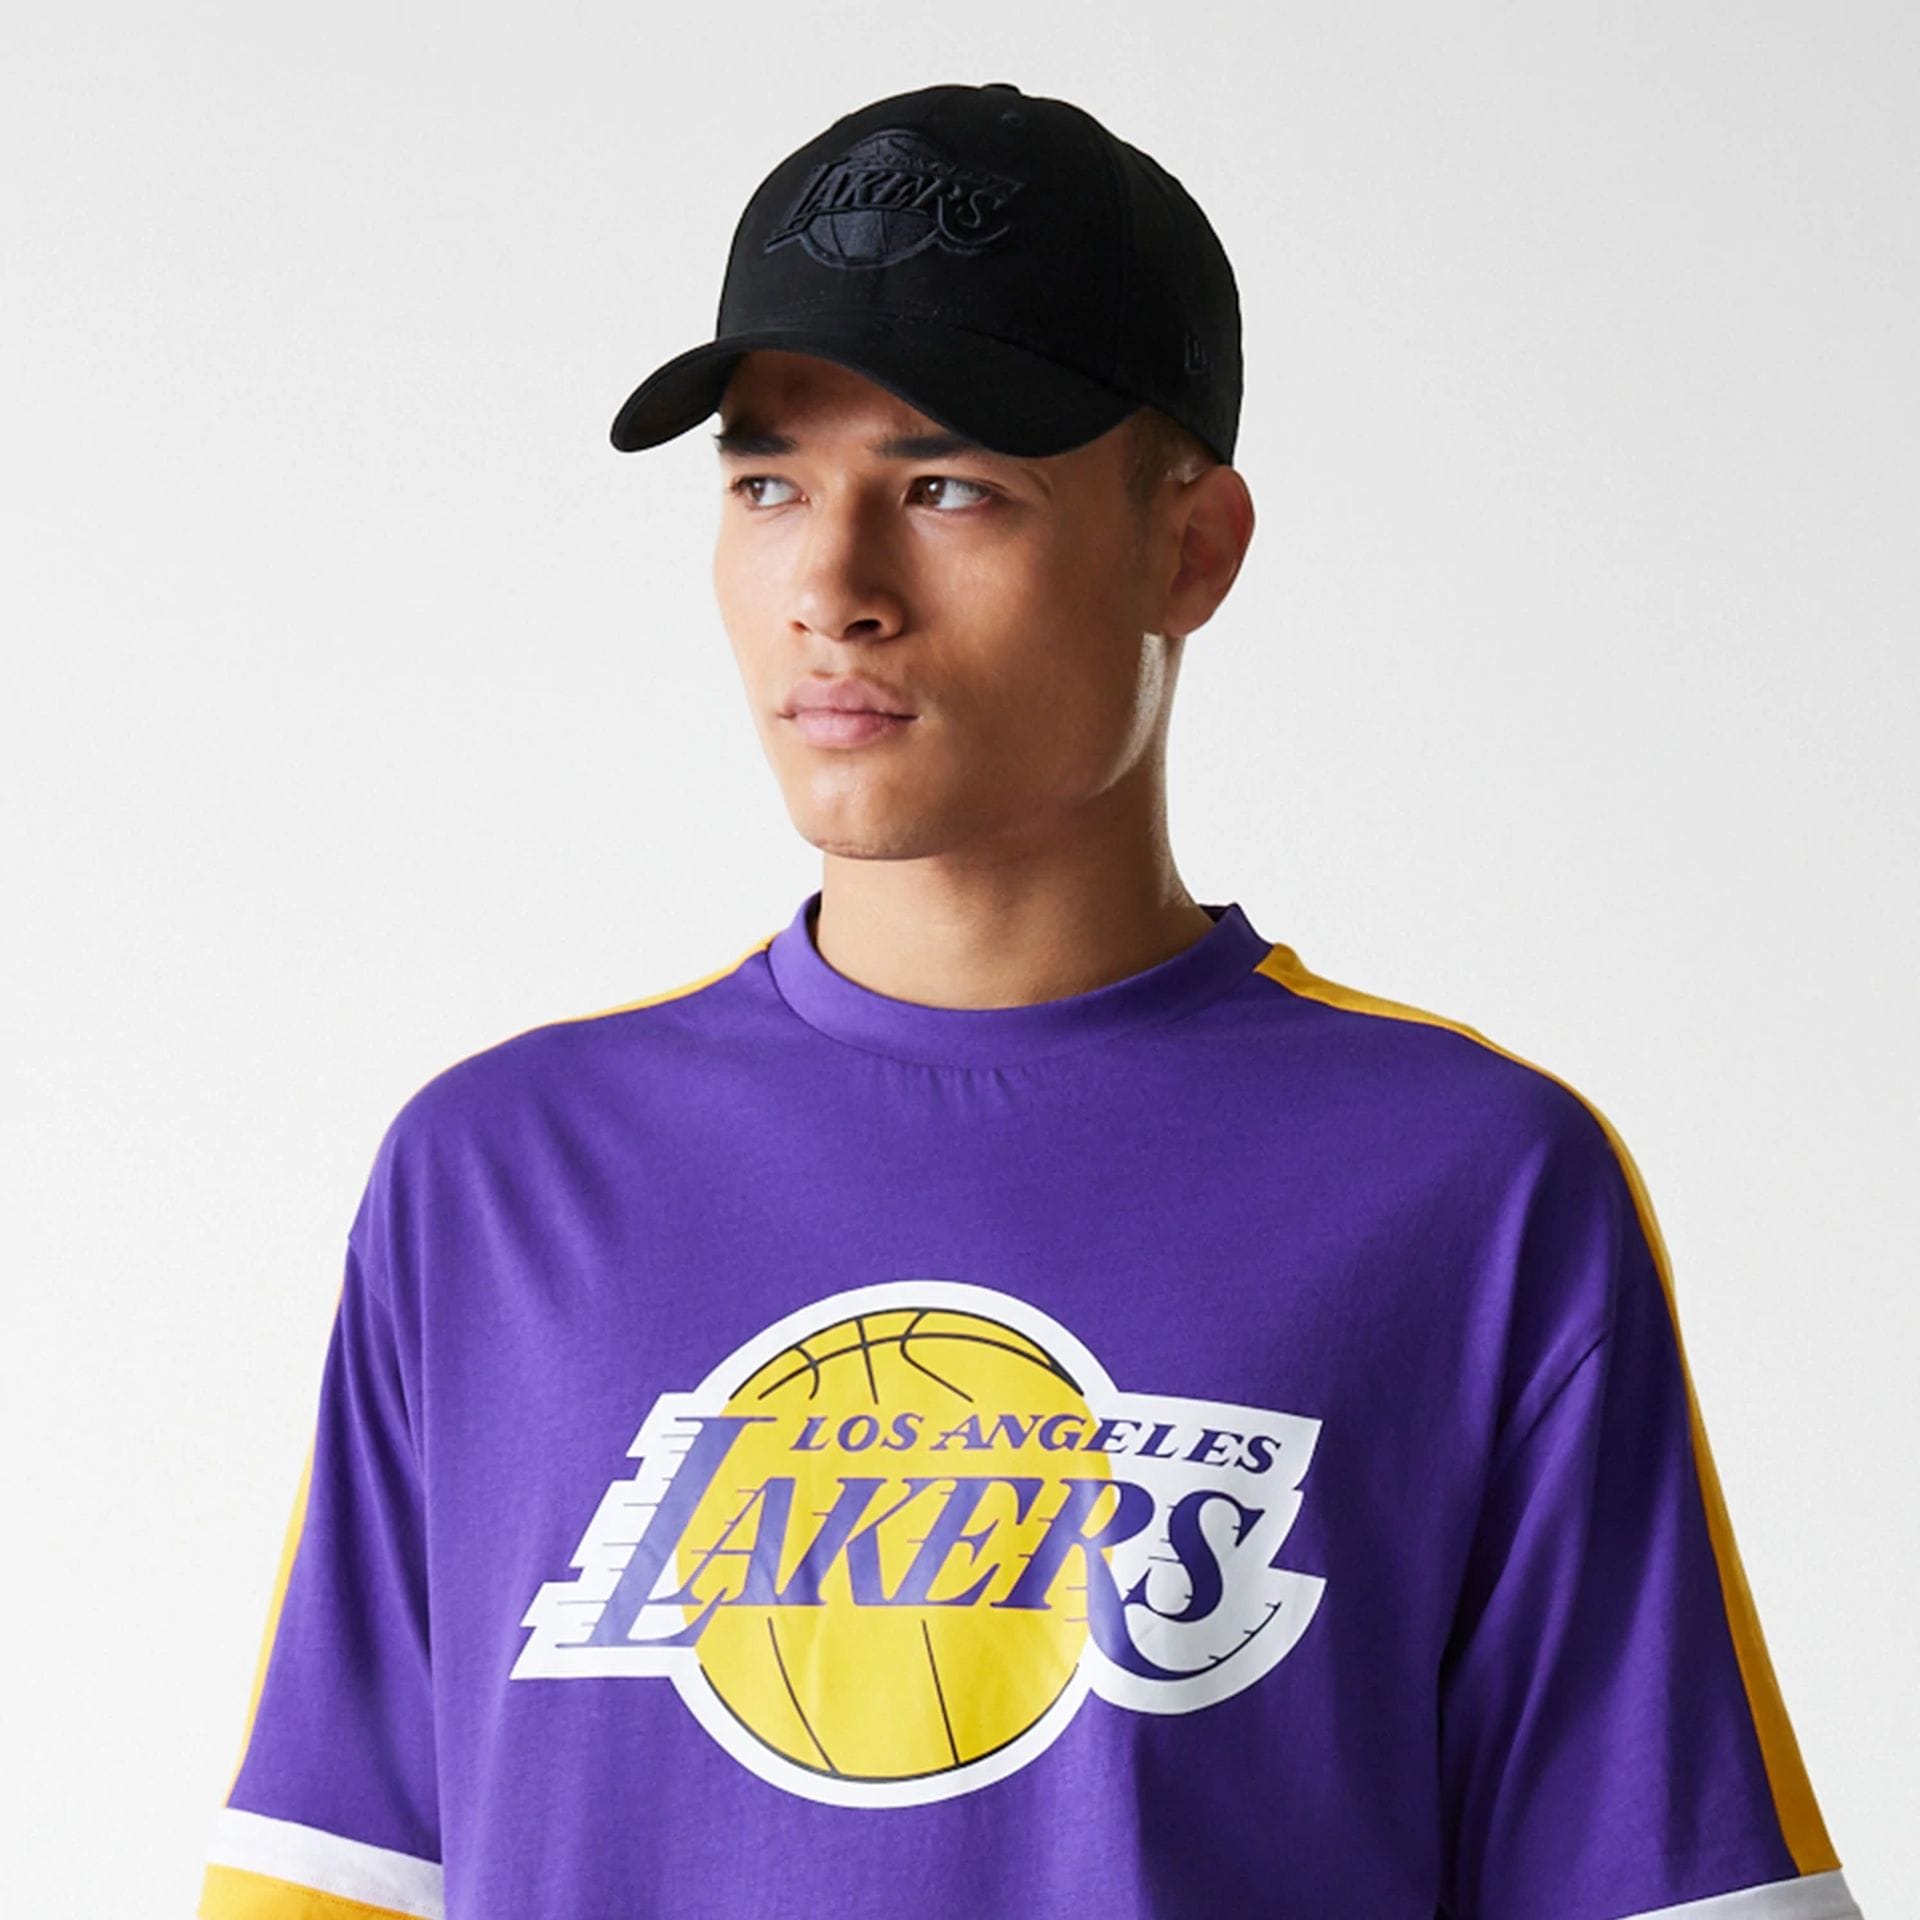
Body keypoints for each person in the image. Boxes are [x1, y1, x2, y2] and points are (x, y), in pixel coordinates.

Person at [195, 81, 1862, 1920]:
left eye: (948, 488)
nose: (833, 588)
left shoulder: (1465, 1187)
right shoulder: (500, 1179)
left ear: (1190, 550)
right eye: (766, 484)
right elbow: (331, 1876)